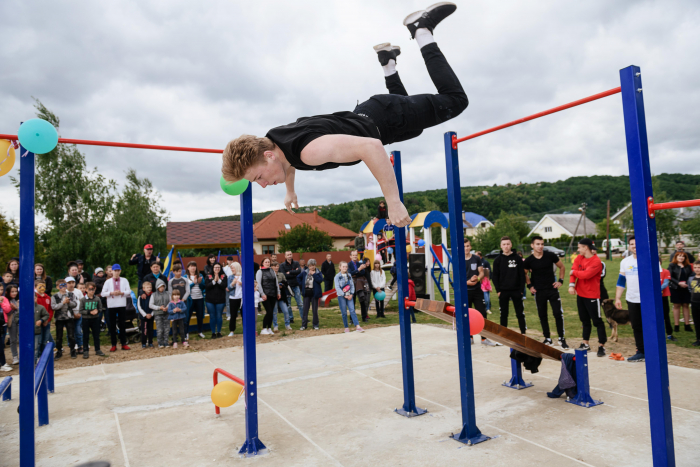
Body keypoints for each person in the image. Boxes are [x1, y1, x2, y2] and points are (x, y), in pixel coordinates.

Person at [222, 3, 465, 230]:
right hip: (373, 116)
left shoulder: (309, 152)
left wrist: (393, 201)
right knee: (415, 127)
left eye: (258, 178)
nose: (263, 185)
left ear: (268, 156)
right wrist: (290, 191)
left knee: (454, 100)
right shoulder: (275, 142)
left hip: (385, 119)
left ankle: (422, 30)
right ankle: (388, 62)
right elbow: (287, 162)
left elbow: (370, 148)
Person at [524, 236, 568, 349]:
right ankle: (547, 338)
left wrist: (560, 281)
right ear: (532, 245)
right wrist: (530, 286)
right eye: (538, 244)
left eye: (542, 244)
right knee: (543, 315)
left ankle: (561, 338)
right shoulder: (529, 260)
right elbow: (524, 273)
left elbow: (562, 267)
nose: (540, 246)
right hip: (539, 291)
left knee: (557, 313)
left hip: (552, 289)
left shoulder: (550, 255)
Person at [569, 238, 607, 357]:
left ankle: (602, 346)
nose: (578, 249)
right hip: (581, 294)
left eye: (579, 247)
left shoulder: (596, 261)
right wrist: (571, 285)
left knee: (597, 321)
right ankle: (585, 343)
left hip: (592, 295)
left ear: (586, 248)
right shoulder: (579, 258)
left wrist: (573, 273)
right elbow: (574, 271)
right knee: (584, 320)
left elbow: (585, 275)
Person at [464, 239, 498, 346]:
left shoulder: (476, 258)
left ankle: (484, 338)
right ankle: (469, 337)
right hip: (466, 291)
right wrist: (467, 282)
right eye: (464, 246)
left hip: (477, 290)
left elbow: (482, 273)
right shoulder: (458, 259)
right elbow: (456, 277)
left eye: (468, 246)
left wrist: (477, 279)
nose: (466, 248)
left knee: (482, 313)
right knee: (467, 315)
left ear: (471, 246)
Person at [492, 237, 527, 334]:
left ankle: (523, 333)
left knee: (520, 313)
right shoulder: (497, 260)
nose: (506, 246)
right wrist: (498, 290)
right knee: (503, 313)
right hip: (503, 291)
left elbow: (522, 275)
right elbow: (495, 276)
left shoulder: (517, 258)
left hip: (516, 290)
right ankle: (503, 334)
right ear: (501, 246)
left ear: (511, 245)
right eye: (504, 244)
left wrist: (521, 290)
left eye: (508, 244)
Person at [100, 264, 132, 352]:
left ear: (120, 271)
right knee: (112, 325)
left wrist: (121, 293)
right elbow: (103, 293)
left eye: (118, 270)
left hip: (121, 304)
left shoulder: (124, 280)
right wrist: (111, 293)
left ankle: (123, 343)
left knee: (122, 324)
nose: (116, 272)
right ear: (112, 272)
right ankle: (113, 344)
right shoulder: (108, 282)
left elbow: (128, 291)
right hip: (111, 305)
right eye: (115, 270)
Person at [51, 279, 78, 359]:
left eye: (64, 285)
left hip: (69, 318)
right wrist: (63, 303)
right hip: (59, 318)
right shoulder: (54, 296)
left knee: (71, 335)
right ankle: (59, 351)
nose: (63, 287)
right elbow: (54, 307)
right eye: (61, 286)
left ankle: (73, 350)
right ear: (57, 287)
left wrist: (69, 302)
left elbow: (75, 304)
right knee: (59, 336)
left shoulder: (71, 294)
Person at [335, 262, 364, 332]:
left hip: (349, 296)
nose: (345, 268)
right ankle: (346, 327)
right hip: (341, 296)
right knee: (344, 312)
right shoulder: (337, 277)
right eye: (343, 266)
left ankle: (357, 326)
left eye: (346, 267)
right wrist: (344, 295)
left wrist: (351, 294)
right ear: (340, 267)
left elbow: (352, 285)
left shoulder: (349, 275)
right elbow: (337, 287)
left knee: (352, 310)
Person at [669, 251, 693, 333]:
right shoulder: (672, 265)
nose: (681, 257)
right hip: (676, 288)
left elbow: (691, 276)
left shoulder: (688, 266)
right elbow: (670, 276)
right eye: (679, 256)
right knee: (677, 305)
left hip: (686, 288)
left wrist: (687, 284)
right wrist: (678, 283)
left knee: (686, 305)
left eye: (683, 256)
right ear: (676, 257)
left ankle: (687, 324)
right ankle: (676, 325)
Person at [79, 282, 105, 359]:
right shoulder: (83, 299)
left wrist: (97, 311)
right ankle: (85, 351)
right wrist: (89, 312)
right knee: (85, 335)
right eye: (90, 289)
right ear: (86, 290)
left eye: (93, 289)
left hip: (95, 319)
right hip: (86, 320)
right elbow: (81, 310)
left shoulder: (97, 299)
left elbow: (101, 308)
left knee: (96, 335)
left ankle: (97, 349)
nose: (92, 291)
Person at [256, 257, 280, 335]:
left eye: (268, 262)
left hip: (273, 294)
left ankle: (269, 328)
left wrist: (278, 292)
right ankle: (263, 328)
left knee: (271, 312)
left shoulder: (272, 271)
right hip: (265, 295)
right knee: (269, 311)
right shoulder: (260, 271)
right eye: (266, 262)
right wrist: (262, 294)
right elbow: (258, 284)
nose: (267, 263)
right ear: (262, 263)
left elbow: (276, 282)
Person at [298, 259, 324, 330]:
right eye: (310, 266)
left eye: (313, 265)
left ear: (315, 265)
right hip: (306, 293)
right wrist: (302, 285)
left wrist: (314, 274)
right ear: (308, 266)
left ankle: (315, 324)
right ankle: (304, 325)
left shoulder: (318, 272)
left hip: (314, 294)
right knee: (305, 310)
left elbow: (320, 280)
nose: (312, 267)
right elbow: (298, 278)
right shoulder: (305, 272)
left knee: (314, 310)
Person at [205, 262, 227, 338]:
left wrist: (219, 280)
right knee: (212, 316)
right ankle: (213, 332)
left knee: (219, 316)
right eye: (215, 267)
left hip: (220, 300)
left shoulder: (224, 276)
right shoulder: (208, 276)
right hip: (210, 300)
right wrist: (214, 280)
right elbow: (207, 286)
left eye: (218, 267)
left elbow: (224, 286)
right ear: (213, 268)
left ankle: (219, 332)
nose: (217, 269)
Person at [280, 251, 302, 321]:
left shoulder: (296, 263)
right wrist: (294, 273)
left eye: (290, 254)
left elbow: (299, 271)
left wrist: (290, 272)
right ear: (285, 256)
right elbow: (284, 275)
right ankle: (290, 318)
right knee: (288, 304)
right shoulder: (282, 265)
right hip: (287, 287)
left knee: (300, 303)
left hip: (296, 285)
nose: (289, 256)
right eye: (288, 255)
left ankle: (304, 318)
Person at [186, 261, 206, 338]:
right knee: (188, 316)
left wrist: (200, 283)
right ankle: (186, 332)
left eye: (194, 266)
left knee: (200, 316)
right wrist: (193, 283)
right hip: (190, 299)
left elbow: (203, 287)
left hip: (199, 298)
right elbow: (185, 288)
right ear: (188, 268)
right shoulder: (185, 277)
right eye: (191, 266)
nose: (193, 268)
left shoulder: (200, 275)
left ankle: (200, 331)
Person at [66, 276, 84, 354]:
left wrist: (80, 312)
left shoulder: (78, 292)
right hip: (68, 315)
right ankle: (71, 347)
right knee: (70, 332)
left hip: (78, 314)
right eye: (69, 283)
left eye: (72, 282)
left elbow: (82, 302)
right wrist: (73, 314)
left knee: (78, 331)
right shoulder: (65, 292)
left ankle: (80, 346)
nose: (71, 284)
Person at [150, 279, 171, 348]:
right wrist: (159, 308)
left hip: (166, 313)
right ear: (157, 287)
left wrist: (167, 307)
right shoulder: (153, 295)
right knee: (159, 329)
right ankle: (160, 342)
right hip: (158, 314)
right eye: (160, 286)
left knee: (167, 328)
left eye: (163, 286)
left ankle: (166, 342)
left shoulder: (168, 293)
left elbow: (171, 301)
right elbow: (151, 305)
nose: (162, 288)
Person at [272, 261, 292, 332]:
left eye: (277, 266)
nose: (276, 267)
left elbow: (286, 283)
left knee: (286, 311)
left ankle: (287, 324)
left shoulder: (281, 274)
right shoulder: (271, 275)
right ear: (272, 267)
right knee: (274, 312)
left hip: (281, 296)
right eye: (275, 266)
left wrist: (282, 285)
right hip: (273, 296)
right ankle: (275, 326)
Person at [35, 281, 54, 354]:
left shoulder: (48, 297)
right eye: (40, 286)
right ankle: (38, 355)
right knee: (38, 340)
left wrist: (47, 320)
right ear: (35, 287)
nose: (42, 288)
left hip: (46, 322)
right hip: (38, 322)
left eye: (44, 286)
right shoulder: (35, 297)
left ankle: (45, 354)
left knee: (45, 340)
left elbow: (50, 310)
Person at [659, 260, 676, 342]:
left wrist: (656, 290)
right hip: (653, 298)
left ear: (660, 262)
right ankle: (657, 333)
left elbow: (665, 283)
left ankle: (669, 334)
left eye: (658, 261)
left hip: (663, 296)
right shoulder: (650, 272)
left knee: (666, 315)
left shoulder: (665, 271)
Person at [4, 285, 19, 364]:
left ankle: (23, 355)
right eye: (12, 292)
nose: (14, 293)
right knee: (13, 339)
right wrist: (12, 309)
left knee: (21, 338)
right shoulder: (6, 300)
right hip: (11, 321)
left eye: (15, 291)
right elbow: (6, 312)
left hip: (20, 321)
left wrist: (16, 308)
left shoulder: (19, 299)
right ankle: (15, 356)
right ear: (8, 292)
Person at [32, 294, 50, 364]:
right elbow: (17, 317)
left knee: (36, 347)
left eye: (34, 298)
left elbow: (46, 315)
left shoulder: (40, 307)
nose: (33, 299)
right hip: (26, 332)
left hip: (36, 330)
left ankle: (35, 361)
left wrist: (41, 320)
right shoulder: (23, 307)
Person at [138, 281, 155, 348]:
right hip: (143, 317)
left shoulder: (153, 295)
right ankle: (143, 343)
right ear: (143, 289)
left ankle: (150, 342)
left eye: (150, 287)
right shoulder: (140, 297)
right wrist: (145, 315)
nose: (149, 289)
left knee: (151, 330)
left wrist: (151, 314)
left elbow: (154, 305)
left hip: (151, 316)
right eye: (147, 287)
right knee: (144, 330)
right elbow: (139, 306)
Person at [227, 262, 243, 336]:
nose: (232, 269)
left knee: (244, 314)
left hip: (242, 298)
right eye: (231, 268)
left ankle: (245, 329)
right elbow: (228, 288)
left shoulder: (243, 276)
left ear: (237, 268)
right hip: (233, 298)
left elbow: (248, 286)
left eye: (232, 268)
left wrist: (242, 284)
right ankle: (232, 331)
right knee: (233, 315)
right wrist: (233, 283)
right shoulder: (230, 277)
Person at [688, 260, 700, 347]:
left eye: (699, 267)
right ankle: (698, 339)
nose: (697, 269)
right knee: (696, 321)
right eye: (695, 267)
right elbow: (690, 288)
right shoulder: (691, 278)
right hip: (694, 303)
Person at [0, 283, 10, 371]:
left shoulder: (5, 299)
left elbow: (7, 309)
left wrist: (2, 302)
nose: (0, 292)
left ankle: (3, 363)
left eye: (2, 290)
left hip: (3, 324)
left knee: (1, 344)